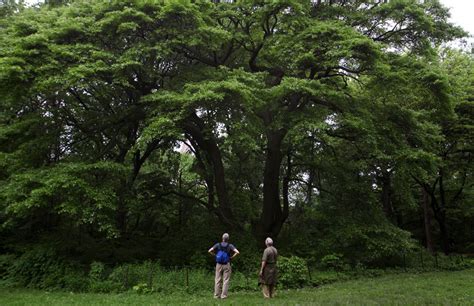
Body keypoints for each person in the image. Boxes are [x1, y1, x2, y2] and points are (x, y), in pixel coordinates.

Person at [208, 233, 240, 299]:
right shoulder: (230, 245)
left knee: (217, 280)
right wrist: (232, 257)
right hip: (226, 264)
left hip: (218, 264)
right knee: (226, 280)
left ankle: (216, 295)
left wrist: (215, 255)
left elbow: (209, 250)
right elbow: (237, 252)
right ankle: (224, 296)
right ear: (228, 239)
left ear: (222, 238)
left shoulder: (218, 244)